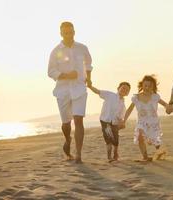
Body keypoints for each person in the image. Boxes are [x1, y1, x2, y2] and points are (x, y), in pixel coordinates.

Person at [48, 22, 93, 163]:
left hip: (79, 88)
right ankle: (68, 139)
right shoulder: (55, 51)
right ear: (61, 34)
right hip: (62, 91)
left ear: (74, 32)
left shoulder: (82, 48)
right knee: (66, 123)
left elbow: (89, 65)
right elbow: (50, 71)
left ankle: (79, 154)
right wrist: (67, 75)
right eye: (65, 32)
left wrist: (89, 80)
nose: (69, 35)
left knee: (79, 120)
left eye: (71, 32)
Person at [123, 75, 171, 161]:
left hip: (153, 122)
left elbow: (165, 104)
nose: (147, 88)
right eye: (145, 85)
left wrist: (169, 107)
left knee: (156, 142)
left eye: (150, 86)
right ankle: (145, 157)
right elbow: (129, 110)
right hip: (141, 122)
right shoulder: (136, 98)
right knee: (140, 137)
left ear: (153, 87)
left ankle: (161, 151)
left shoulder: (155, 97)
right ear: (142, 86)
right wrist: (124, 120)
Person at [87, 81, 131, 162]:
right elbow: (98, 91)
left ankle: (115, 153)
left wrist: (122, 122)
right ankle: (109, 157)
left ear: (128, 93)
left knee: (116, 140)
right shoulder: (110, 95)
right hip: (105, 120)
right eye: (123, 88)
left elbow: (121, 116)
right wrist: (90, 87)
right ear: (118, 88)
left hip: (115, 123)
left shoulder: (123, 104)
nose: (124, 90)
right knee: (109, 138)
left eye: (127, 90)